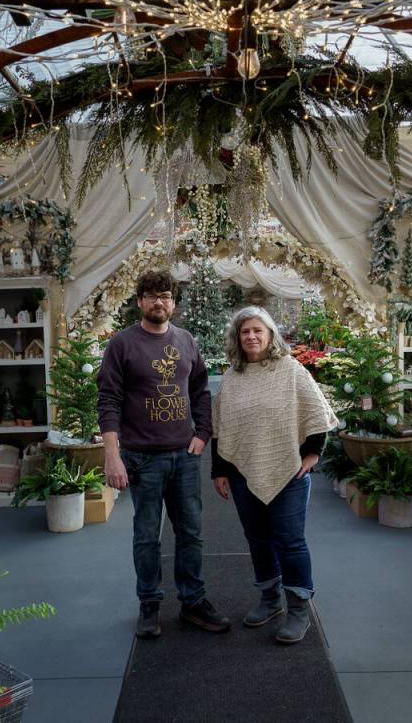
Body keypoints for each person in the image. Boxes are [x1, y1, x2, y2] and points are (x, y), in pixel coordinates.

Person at [98, 269, 231, 639]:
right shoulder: (122, 344)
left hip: (185, 456)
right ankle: (149, 604)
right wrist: (112, 455)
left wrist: (203, 433)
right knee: (146, 536)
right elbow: (108, 400)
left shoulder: (187, 341)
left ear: (174, 302)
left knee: (191, 533)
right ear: (140, 301)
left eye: (167, 295)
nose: (160, 301)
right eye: (153, 295)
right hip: (142, 458)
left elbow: (202, 391)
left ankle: (193, 602)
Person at [211, 306, 338, 644]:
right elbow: (220, 429)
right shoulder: (231, 378)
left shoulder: (291, 370)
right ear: (237, 338)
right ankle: (270, 600)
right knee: (257, 538)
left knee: (290, 539)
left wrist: (312, 454)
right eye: (245, 332)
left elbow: (316, 412)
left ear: (269, 335)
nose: (251, 336)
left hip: (289, 471)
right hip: (241, 473)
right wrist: (220, 470)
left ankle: (298, 608)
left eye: (257, 330)